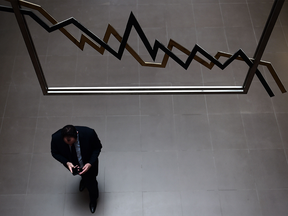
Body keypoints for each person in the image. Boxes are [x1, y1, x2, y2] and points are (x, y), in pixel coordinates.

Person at [51, 125, 102, 213]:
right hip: (73, 165)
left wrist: (90, 163)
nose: (70, 145)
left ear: (77, 134)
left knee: (92, 183)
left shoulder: (89, 133)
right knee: (83, 176)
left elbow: (97, 148)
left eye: (72, 142)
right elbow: (55, 153)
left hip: (89, 164)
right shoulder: (56, 138)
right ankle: (83, 179)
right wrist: (67, 162)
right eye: (67, 143)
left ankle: (93, 199)